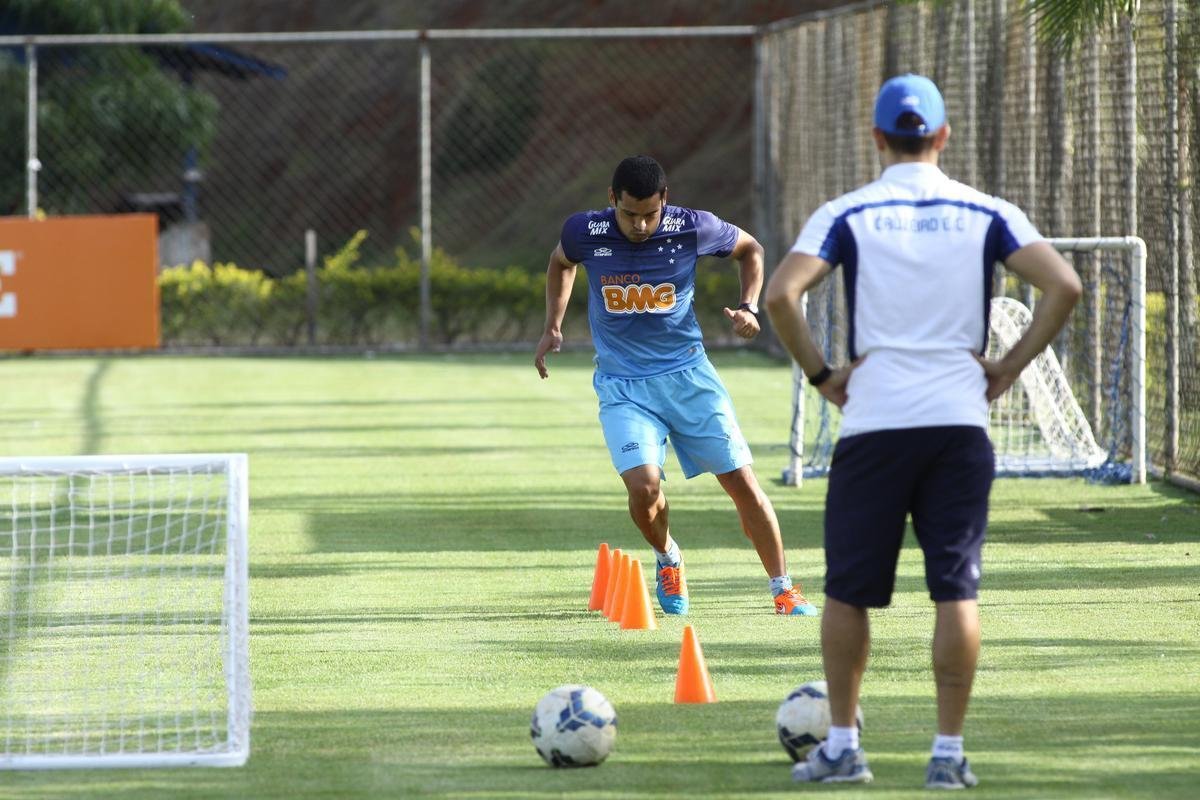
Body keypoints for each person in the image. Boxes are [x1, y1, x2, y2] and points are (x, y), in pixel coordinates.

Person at [765, 75, 1081, 788]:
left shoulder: (849, 211)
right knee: (955, 592)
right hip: (959, 425)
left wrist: (823, 376)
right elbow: (1065, 285)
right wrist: (1006, 368)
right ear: (943, 136)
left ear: (877, 138)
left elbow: (781, 294)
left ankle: (844, 747)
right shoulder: (986, 211)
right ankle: (947, 756)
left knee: (848, 592)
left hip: (875, 422)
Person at [534, 155, 818, 617]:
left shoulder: (693, 227)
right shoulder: (584, 232)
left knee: (743, 483)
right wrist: (553, 325)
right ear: (612, 200)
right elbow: (560, 263)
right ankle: (668, 556)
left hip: (689, 378)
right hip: (623, 385)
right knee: (644, 489)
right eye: (630, 214)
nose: (642, 224)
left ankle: (783, 589)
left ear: (665, 200)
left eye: (651, 213)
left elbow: (752, 249)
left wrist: (749, 307)